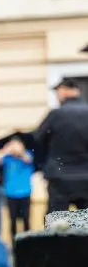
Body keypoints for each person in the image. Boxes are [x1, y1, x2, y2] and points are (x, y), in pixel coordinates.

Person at [34, 78, 88, 212]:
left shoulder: (55, 115)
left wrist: (42, 165)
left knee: (57, 223)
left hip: (59, 177)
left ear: (64, 90)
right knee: (86, 222)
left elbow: (37, 141)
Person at [0, 137, 34, 239]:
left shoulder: (27, 154)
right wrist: (6, 150)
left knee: (26, 219)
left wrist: (20, 151)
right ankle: (15, 243)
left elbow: (28, 159)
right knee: (12, 220)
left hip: (25, 193)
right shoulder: (7, 157)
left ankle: (28, 242)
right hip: (10, 193)